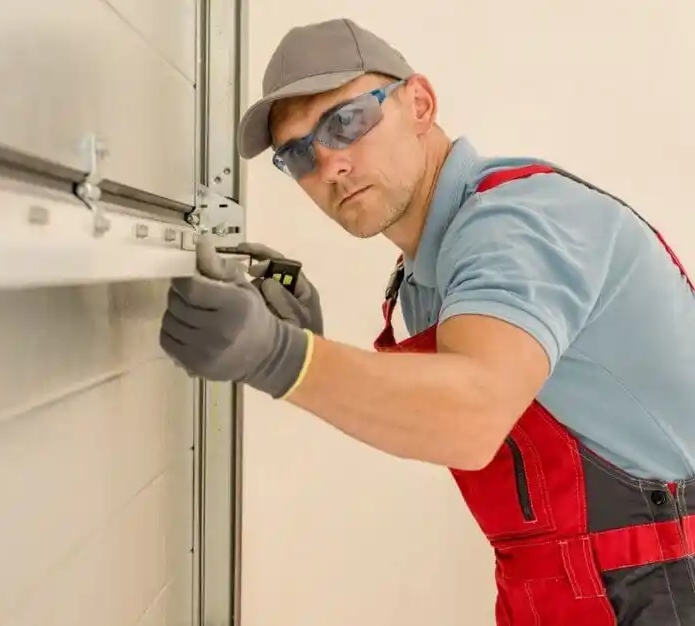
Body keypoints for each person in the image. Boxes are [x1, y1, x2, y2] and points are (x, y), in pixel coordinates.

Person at [159, 17, 695, 625]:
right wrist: (309, 348)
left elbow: (470, 416)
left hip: (660, 588)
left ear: (420, 104)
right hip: (560, 591)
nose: (329, 165)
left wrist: (283, 357)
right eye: (299, 153)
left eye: (346, 122)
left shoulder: (514, 222)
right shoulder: (422, 275)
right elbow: (441, 418)